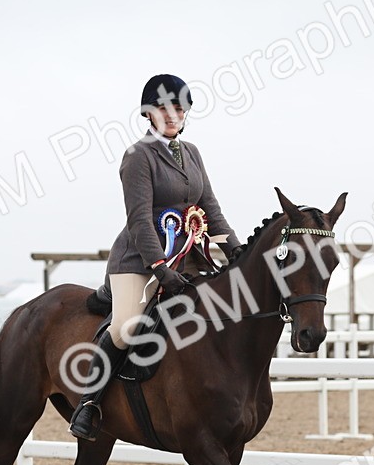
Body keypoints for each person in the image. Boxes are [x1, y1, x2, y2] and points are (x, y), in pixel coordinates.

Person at [69, 73, 243, 440]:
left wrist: (236, 251)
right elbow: (139, 219)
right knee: (125, 328)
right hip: (141, 260)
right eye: (162, 108)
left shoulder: (192, 153)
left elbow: (210, 208)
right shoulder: (138, 156)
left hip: (190, 257)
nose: (171, 115)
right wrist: (160, 268)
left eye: (178, 108)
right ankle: (89, 404)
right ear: (148, 113)